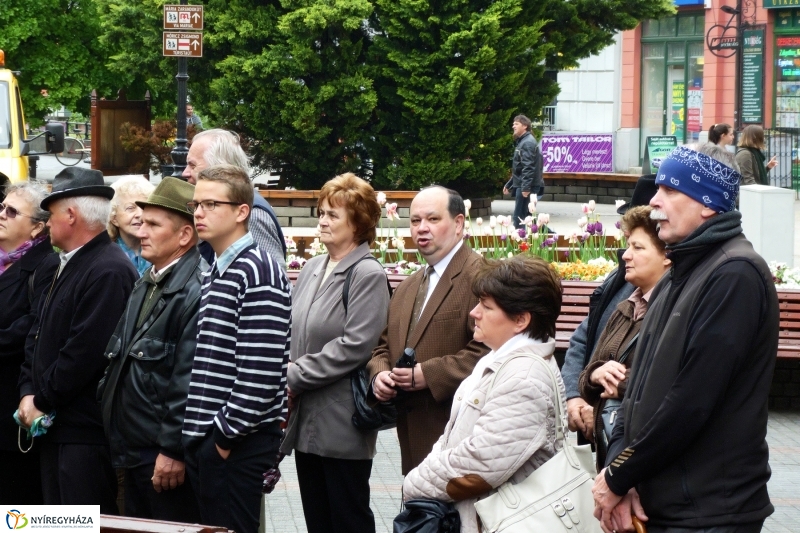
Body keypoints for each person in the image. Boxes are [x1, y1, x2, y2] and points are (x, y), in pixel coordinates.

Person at [592, 143, 779, 533]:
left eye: (670, 189)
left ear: (708, 204)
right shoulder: (680, 271)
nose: (654, 201)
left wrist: (618, 477)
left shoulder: (735, 274)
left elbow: (691, 401)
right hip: (663, 502)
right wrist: (619, 469)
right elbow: (637, 386)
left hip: (708, 512)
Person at [403, 255, 565, 532]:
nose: (474, 312)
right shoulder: (498, 360)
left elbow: (482, 462)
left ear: (521, 320)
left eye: (486, 307)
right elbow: (452, 438)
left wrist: (415, 483)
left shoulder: (524, 377)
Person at [17, 167, 138, 511]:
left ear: (70, 215)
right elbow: (37, 334)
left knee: (78, 522)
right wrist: (27, 392)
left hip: (83, 435)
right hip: (57, 428)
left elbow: (85, 353)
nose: (47, 222)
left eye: (50, 214)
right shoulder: (67, 262)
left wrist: (40, 398)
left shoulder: (109, 269)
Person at [182, 164, 291, 533]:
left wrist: (222, 440)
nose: (199, 212)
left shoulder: (257, 269)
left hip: (236, 443)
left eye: (211, 204)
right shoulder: (218, 268)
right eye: (197, 204)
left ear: (242, 211)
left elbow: (259, 375)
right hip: (211, 441)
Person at [280, 173, 390, 533]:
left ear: (358, 224)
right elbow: (294, 329)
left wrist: (292, 375)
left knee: (347, 519)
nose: (322, 221)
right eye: (321, 212)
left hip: (341, 422)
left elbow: (355, 346)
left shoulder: (367, 273)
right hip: (304, 418)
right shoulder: (313, 266)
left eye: (332, 215)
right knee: (317, 519)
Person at [98, 177, 205, 522]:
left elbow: (188, 380)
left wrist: (172, 449)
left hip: (160, 456)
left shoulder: (196, 289)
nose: (142, 232)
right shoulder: (148, 279)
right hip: (136, 449)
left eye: (153, 224)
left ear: (184, 236)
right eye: (141, 222)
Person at [368, 186, 489, 475]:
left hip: (457, 444)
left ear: (459, 224)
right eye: (415, 221)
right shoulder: (408, 286)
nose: (422, 229)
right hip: (412, 444)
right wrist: (380, 375)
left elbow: (489, 352)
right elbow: (383, 347)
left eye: (433, 220)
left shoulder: (481, 277)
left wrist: (430, 375)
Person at [561, 175, 658, 444]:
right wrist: (576, 395)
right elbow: (583, 338)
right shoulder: (621, 279)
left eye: (637, 243)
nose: (627, 249)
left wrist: (601, 401)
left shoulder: (669, 299)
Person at [578, 205, 670, 470]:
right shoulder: (625, 308)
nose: (626, 256)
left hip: (645, 462)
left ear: (667, 256)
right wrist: (596, 374)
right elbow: (586, 377)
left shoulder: (673, 311)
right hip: (610, 456)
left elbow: (670, 381)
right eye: (628, 246)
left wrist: (617, 383)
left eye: (638, 248)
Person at [0, 183, 58, 504]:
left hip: (15, 410)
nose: (1, 215)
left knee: (18, 509)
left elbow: (32, 326)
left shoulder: (46, 266)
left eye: (12, 211)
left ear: (37, 227)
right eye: (1, 207)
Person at [182, 129, 286, 268]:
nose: (185, 173)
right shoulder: (238, 208)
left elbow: (272, 277)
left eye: (192, 165)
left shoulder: (252, 215)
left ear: (220, 167)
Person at [108, 176, 156, 277]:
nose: (140, 214)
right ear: (114, 218)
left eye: (144, 207)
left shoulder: (161, 250)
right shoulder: (106, 255)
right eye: (130, 208)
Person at [503, 115, 543, 228]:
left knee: (519, 217)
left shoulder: (528, 143)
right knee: (527, 216)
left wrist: (526, 188)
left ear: (525, 126)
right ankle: (549, 236)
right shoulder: (523, 142)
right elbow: (519, 167)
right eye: (513, 124)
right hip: (523, 184)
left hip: (526, 186)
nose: (513, 126)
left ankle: (520, 241)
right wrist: (509, 184)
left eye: (516, 124)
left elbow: (528, 167)